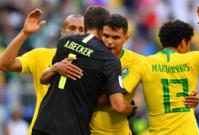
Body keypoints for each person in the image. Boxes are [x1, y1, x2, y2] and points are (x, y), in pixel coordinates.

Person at [122, 5, 199, 135]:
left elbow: (120, 98)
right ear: (184, 43)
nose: (189, 49)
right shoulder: (193, 59)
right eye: (189, 45)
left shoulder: (144, 63)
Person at [90, 14, 199, 135]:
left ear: (126, 39)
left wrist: (190, 96)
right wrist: (129, 108)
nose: (109, 42)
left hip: (120, 131)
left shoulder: (139, 61)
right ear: (100, 34)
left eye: (115, 37)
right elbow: (119, 105)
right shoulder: (88, 56)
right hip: (87, 129)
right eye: (106, 36)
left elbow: (164, 84)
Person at [36, 6, 133, 135]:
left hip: (42, 124)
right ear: (104, 27)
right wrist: (131, 109)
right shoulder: (109, 60)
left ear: (85, 24)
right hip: (73, 129)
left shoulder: (64, 42)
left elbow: (45, 80)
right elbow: (119, 106)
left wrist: (54, 68)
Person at [0, 9, 84, 135]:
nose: (76, 33)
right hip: (41, 130)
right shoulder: (41, 55)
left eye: (81, 30)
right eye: (72, 28)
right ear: (62, 31)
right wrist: (25, 33)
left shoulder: (94, 63)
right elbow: (4, 64)